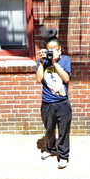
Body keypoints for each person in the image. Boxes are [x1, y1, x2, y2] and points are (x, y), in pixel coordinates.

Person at [36, 36, 72, 169]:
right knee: (49, 129)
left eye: (54, 49)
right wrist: (41, 62)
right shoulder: (42, 62)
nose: (51, 52)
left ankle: (63, 156)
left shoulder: (65, 60)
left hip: (62, 103)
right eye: (48, 50)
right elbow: (39, 79)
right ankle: (50, 148)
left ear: (60, 49)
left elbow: (66, 79)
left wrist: (55, 62)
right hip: (47, 103)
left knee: (63, 131)